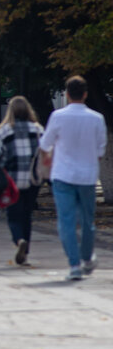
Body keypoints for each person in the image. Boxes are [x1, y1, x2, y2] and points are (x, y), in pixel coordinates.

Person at [39, 76, 107, 281]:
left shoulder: (58, 116)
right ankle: (87, 258)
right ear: (85, 94)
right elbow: (100, 151)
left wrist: (48, 160)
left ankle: (74, 264)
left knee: (66, 221)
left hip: (63, 176)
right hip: (87, 177)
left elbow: (44, 145)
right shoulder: (97, 118)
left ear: (67, 94)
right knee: (87, 221)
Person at [0, 96, 45, 266]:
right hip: (33, 180)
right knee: (27, 215)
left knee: (13, 216)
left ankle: (18, 240)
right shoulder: (38, 129)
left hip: (12, 181)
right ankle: (26, 251)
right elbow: (45, 154)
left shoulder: (3, 131)